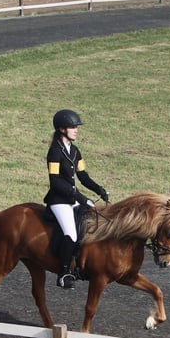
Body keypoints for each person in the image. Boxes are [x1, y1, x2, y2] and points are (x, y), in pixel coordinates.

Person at [44, 109, 109, 289]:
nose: (76, 130)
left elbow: (83, 176)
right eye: (73, 127)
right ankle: (64, 273)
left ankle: (80, 266)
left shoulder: (74, 151)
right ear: (62, 129)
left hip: (72, 200)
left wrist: (99, 189)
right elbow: (55, 181)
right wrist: (80, 197)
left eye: (76, 127)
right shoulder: (54, 151)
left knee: (87, 227)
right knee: (71, 234)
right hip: (58, 201)